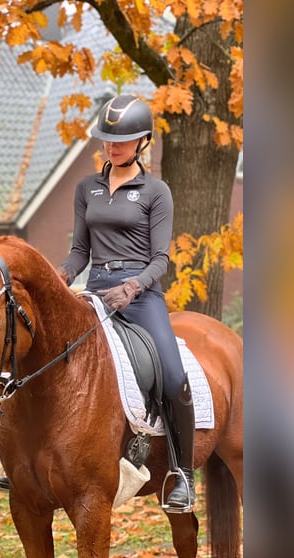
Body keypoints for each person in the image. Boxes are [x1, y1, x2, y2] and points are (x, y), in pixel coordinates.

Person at [56, 94, 195, 513]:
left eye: (122, 141)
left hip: (141, 293)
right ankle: (28, 458)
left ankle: (182, 474)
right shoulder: (87, 188)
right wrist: (60, 276)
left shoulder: (156, 191)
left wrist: (133, 287)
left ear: (143, 142)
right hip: (95, 288)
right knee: (43, 352)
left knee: (172, 375)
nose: (112, 148)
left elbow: (161, 259)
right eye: (107, 140)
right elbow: (81, 250)